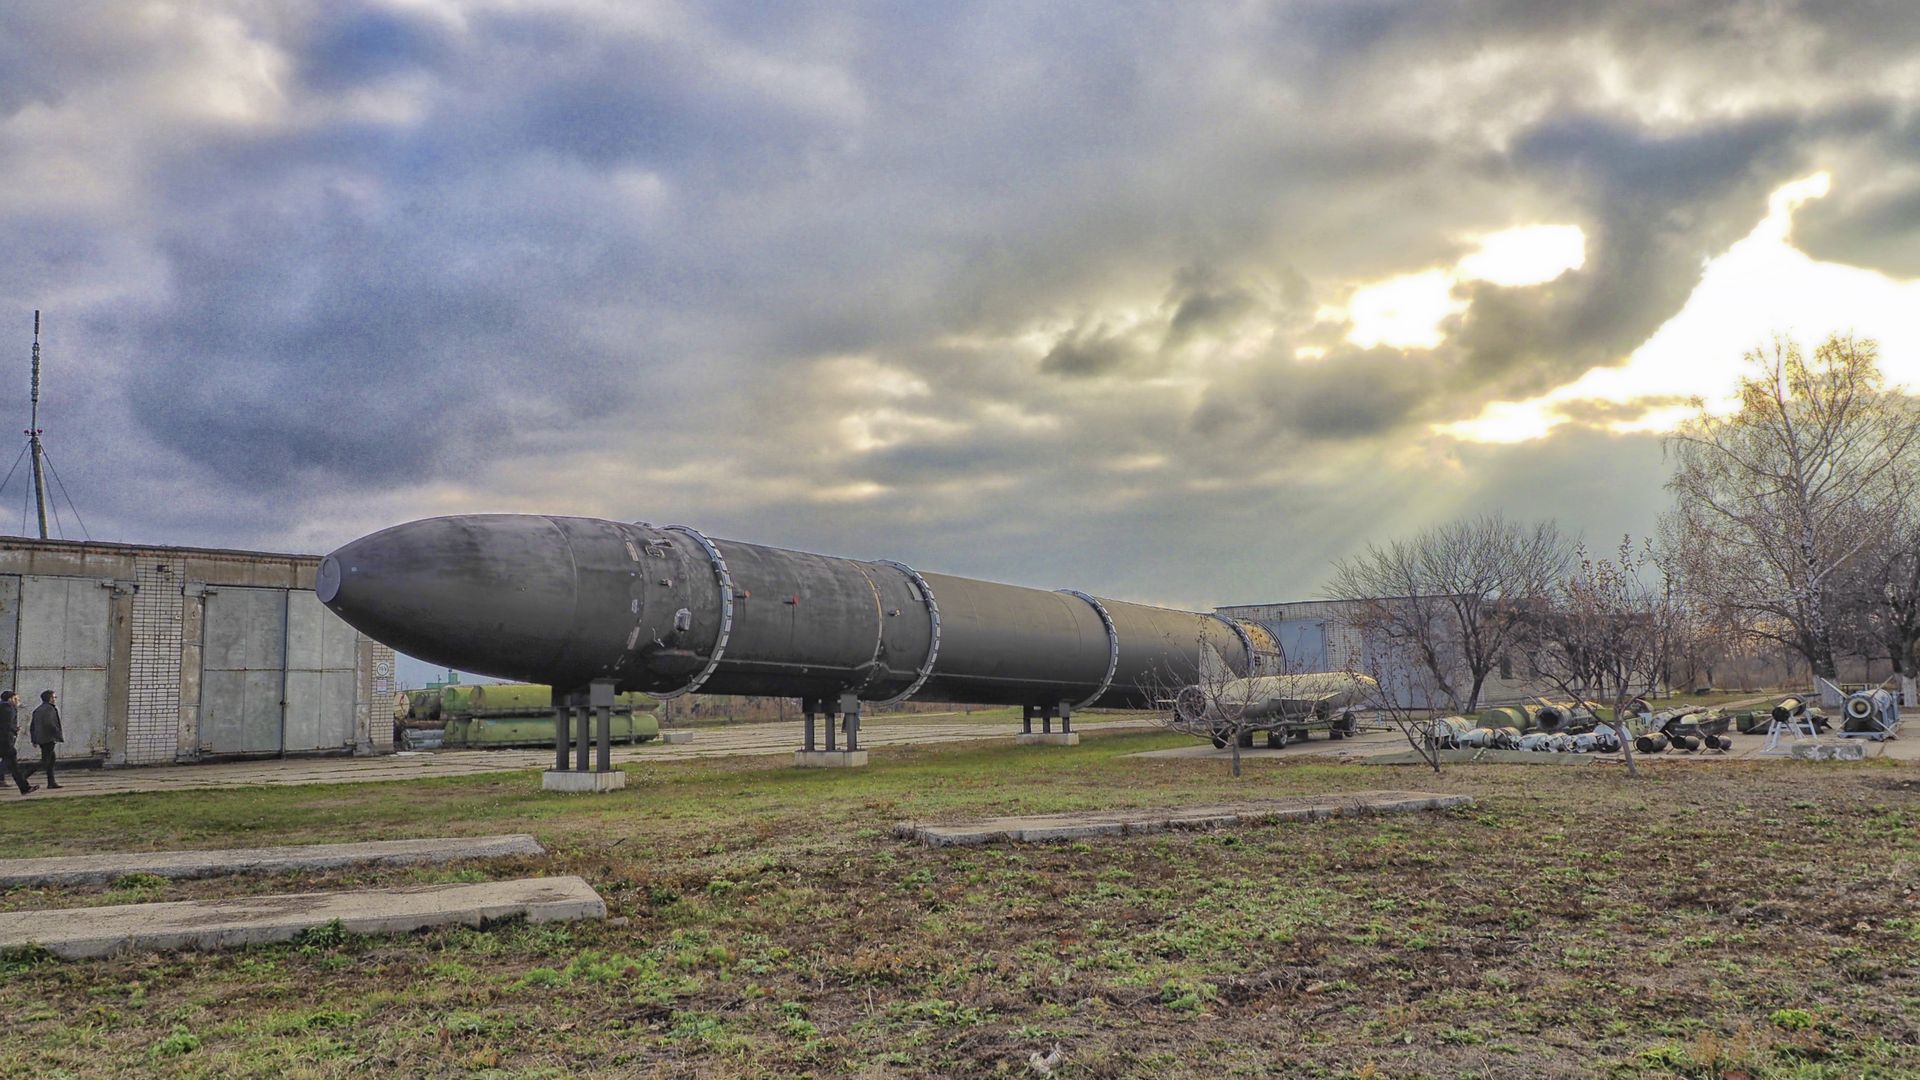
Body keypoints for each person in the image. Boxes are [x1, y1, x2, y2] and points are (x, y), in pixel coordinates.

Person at [0, 691, 33, 795]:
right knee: (14, 766)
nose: (18, 701)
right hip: (6, 742)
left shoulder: (2, 707)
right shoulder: (9, 709)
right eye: (16, 699)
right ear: (10, 699)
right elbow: (7, 726)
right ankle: (25, 788)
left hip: (3, 741)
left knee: (11, 765)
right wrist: (14, 730)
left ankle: (25, 788)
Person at [29, 689, 61, 790]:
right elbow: (49, 724)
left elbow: (32, 726)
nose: (55, 699)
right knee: (45, 761)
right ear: (50, 699)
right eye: (54, 697)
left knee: (51, 760)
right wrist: (57, 733)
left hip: (41, 738)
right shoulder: (50, 709)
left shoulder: (38, 709)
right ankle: (23, 776)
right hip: (48, 738)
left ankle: (51, 782)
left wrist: (34, 739)